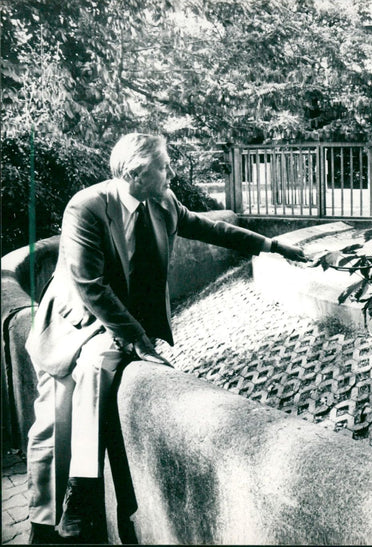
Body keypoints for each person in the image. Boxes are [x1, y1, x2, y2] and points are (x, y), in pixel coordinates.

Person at [24, 133, 307, 543]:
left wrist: (273, 245)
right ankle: (40, 526)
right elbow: (91, 286)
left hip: (108, 327)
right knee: (52, 430)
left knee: (100, 364)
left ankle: (79, 500)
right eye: (164, 164)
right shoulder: (85, 207)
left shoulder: (162, 202)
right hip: (71, 324)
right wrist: (140, 341)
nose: (171, 170)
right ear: (137, 172)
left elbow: (212, 230)